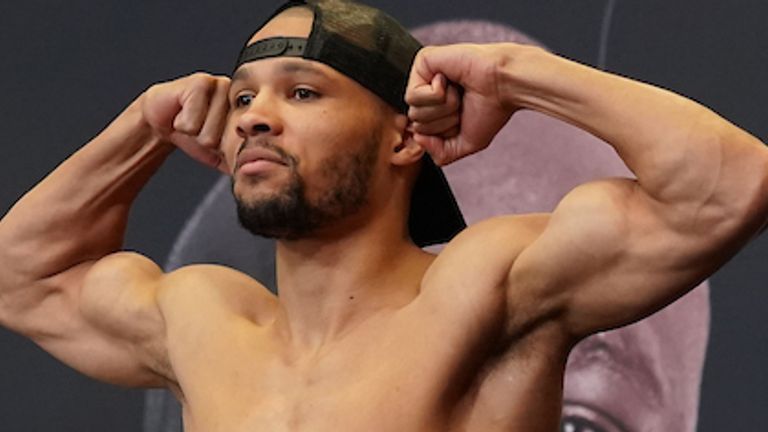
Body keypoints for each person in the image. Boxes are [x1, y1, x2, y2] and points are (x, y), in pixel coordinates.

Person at [0, 1, 765, 432]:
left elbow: (729, 187)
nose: (254, 118)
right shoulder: (205, 322)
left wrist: (514, 74)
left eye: (301, 93)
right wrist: (143, 126)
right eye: (242, 97)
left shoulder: (483, 292)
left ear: (405, 135)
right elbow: (20, 276)